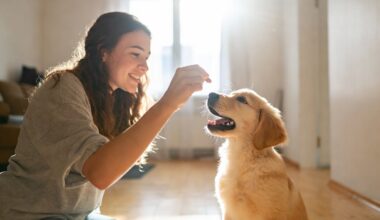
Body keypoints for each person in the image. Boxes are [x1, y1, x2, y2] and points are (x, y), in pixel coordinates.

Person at [0, 12, 211, 219]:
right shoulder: (62, 87)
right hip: (26, 212)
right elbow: (100, 173)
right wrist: (167, 104)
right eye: (135, 54)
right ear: (104, 52)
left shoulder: (113, 98)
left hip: (79, 214)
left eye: (146, 57)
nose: (145, 66)